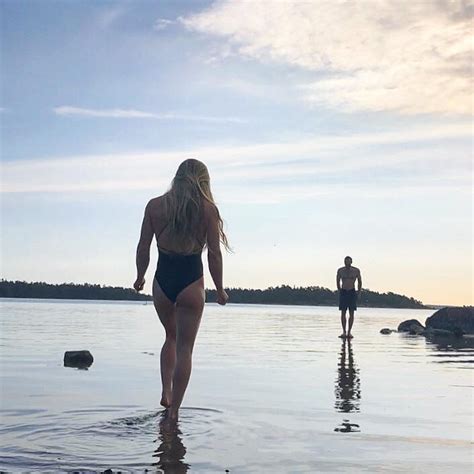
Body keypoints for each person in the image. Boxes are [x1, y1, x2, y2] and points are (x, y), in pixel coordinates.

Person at [133, 158, 230, 427]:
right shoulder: (208, 210)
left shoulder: (155, 206)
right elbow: (214, 254)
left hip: (163, 281)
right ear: (203, 181)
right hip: (191, 282)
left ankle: (165, 391)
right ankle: (174, 409)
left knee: (170, 337)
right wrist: (220, 288)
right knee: (186, 348)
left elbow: (143, 247)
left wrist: (140, 276)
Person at [336, 256, 362, 339]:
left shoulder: (356, 270)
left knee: (351, 312)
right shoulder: (340, 270)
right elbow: (337, 280)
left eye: (348, 261)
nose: (347, 263)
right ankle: (344, 331)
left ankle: (349, 332)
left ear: (351, 262)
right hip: (343, 291)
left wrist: (359, 292)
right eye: (345, 261)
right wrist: (339, 290)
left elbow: (360, 281)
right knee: (343, 312)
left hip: (352, 292)